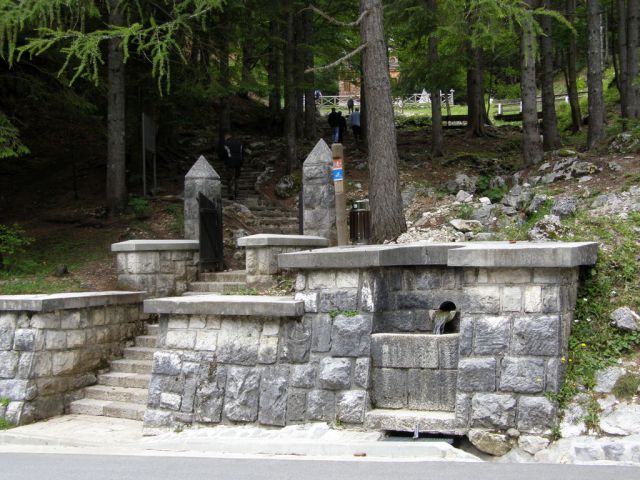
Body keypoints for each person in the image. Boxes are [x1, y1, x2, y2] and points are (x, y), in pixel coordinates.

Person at [221, 131, 243, 200]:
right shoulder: (239, 143)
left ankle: (231, 194)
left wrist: (225, 162)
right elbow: (242, 153)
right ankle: (236, 193)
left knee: (230, 178)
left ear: (226, 136)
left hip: (230, 163)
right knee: (237, 178)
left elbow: (224, 154)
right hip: (239, 163)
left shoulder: (226, 144)